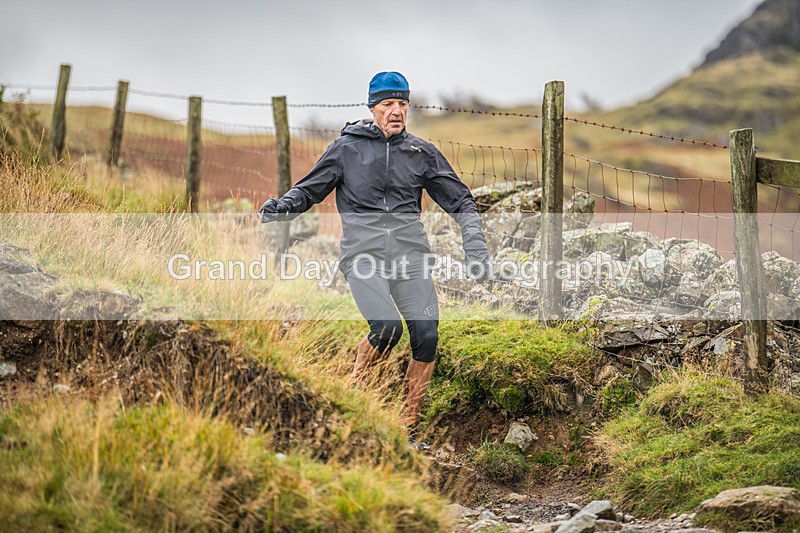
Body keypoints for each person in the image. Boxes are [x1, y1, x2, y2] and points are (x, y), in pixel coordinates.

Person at [258, 71, 491, 428]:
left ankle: (408, 425)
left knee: (427, 337)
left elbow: (461, 201)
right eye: (388, 104)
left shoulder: (421, 153)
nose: (397, 111)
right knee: (386, 328)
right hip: (363, 256)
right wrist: (281, 207)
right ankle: (355, 396)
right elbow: (309, 190)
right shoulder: (345, 149)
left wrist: (475, 249)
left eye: (402, 103)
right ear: (373, 108)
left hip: (411, 256)